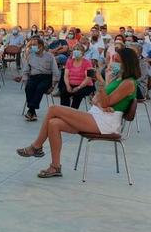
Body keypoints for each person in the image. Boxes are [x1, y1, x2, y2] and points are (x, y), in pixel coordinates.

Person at [17, 47, 139, 179]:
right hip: (98, 115)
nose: (112, 63)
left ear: (126, 63)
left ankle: (36, 146)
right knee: (54, 123)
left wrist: (101, 84)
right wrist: (103, 100)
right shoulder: (118, 79)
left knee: (53, 109)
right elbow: (95, 100)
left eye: (116, 60)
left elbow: (104, 101)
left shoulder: (129, 83)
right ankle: (55, 166)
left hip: (106, 123)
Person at [22, 37, 59, 121]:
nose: (32, 47)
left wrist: (53, 85)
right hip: (34, 77)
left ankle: (30, 110)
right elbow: (25, 70)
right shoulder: (30, 56)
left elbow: (55, 71)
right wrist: (25, 81)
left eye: (34, 45)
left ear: (41, 46)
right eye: (31, 45)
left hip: (46, 77)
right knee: (29, 87)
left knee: (40, 88)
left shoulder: (49, 56)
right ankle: (32, 111)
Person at [59, 43, 95, 109]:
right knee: (63, 93)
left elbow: (89, 77)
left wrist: (79, 87)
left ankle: (73, 111)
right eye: (74, 50)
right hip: (71, 84)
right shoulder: (69, 61)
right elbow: (66, 76)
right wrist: (68, 86)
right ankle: (65, 112)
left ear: (83, 52)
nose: (76, 51)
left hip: (85, 85)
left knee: (78, 94)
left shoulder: (88, 62)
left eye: (78, 49)